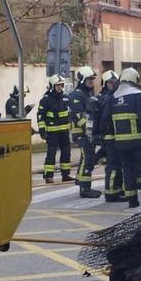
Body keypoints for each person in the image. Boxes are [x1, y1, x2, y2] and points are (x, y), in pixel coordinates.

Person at [100, 68, 141, 209]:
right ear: (133, 80)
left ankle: (132, 200)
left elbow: (105, 120)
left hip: (120, 145)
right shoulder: (137, 95)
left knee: (127, 170)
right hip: (138, 143)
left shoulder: (113, 97)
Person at [67, 66, 101, 198]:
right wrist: (88, 131)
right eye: (89, 79)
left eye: (92, 79)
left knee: (86, 157)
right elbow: (77, 115)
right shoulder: (77, 95)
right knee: (88, 158)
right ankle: (85, 188)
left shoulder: (87, 94)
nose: (92, 82)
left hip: (87, 132)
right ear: (82, 80)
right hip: (81, 132)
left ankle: (80, 180)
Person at [95, 70, 125, 202]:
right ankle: (111, 193)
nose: (112, 85)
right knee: (113, 166)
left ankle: (118, 190)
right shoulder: (104, 99)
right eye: (109, 83)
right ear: (104, 84)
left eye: (114, 82)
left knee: (117, 165)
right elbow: (103, 120)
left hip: (116, 137)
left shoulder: (115, 97)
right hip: (109, 137)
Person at [36, 75, 72, 184]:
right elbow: (40, 116)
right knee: (51, 154)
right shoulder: (46, 100)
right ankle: (48, 176)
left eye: (61, 85)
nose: (60, 87)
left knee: (66, 153)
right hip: (52, 132)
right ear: (52, 86)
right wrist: (42, 131)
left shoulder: (66, 98)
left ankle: (65, 175)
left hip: (64, 131)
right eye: (57, 85)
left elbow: (70, 113)